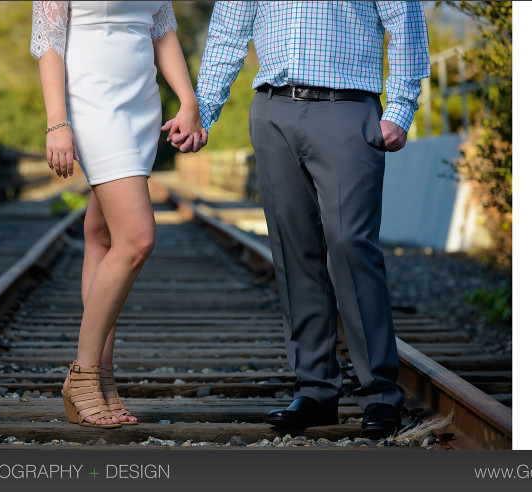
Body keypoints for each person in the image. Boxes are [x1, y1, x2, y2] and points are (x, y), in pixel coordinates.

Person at [166, 2, 430, 438]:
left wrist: (399, 108)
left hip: (347, 107)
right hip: (273, 110)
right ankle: (316, 390)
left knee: (350, 246)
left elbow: (405, 21)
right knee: (294, 251)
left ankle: (381, 394)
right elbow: (228, 32)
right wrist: (204, 109)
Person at [31, 1, 203, 428]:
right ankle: (83, 375)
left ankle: (103, 381)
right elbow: (49, 41)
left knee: (103, 237)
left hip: (141, 104)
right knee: (137, 238)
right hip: (93, 102)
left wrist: (187, 98)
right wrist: (57, 121)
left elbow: (161, 32)